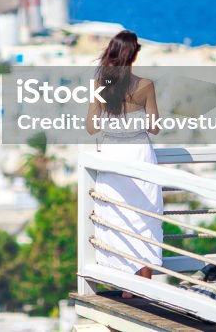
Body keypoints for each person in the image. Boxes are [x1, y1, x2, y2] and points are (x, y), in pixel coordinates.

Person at [86, 29, 163, 298]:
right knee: (144, 218)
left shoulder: (101, 84)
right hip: (139, 155)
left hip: (112, 157)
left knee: (117, 218)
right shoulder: (145, 85)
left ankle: (124, 286)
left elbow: (91, 127)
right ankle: (143, 288)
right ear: (133, 55)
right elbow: (154, 128)